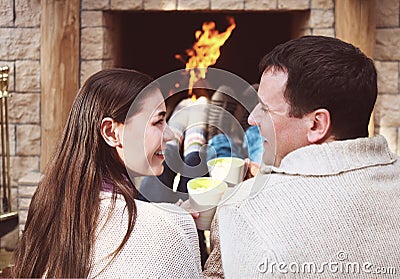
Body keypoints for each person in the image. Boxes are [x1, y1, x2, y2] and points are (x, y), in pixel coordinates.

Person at [203, 36, 400, 277]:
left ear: (317, 124)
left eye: (265, 109)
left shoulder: (244, 207)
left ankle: (211, 138)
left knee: (226, 145)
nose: (252, 118)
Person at [12, 69, 202, 278]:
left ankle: (191, 130)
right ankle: (195, 133)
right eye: (158, 122)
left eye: (165, 122)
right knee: (193, 160)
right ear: (111, 132)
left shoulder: (47, 198)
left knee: (168, 163)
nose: (167, 134)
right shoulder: (166, 229)